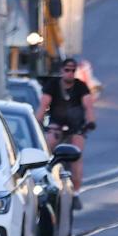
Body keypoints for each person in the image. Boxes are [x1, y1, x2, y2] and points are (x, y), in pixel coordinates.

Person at [39, 58, 95, 197]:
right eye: (67, 70)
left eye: (73, 71)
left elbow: (88, 106)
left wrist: (90, 122)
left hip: (76, 126)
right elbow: (43, 105)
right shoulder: (52, 85)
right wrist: (37, 121)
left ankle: (76, 190)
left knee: (76, 154)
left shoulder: (81, 86)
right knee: (48, 146)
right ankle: (43, 178)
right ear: (61, 71)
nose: (70, 73)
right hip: (56, 124)